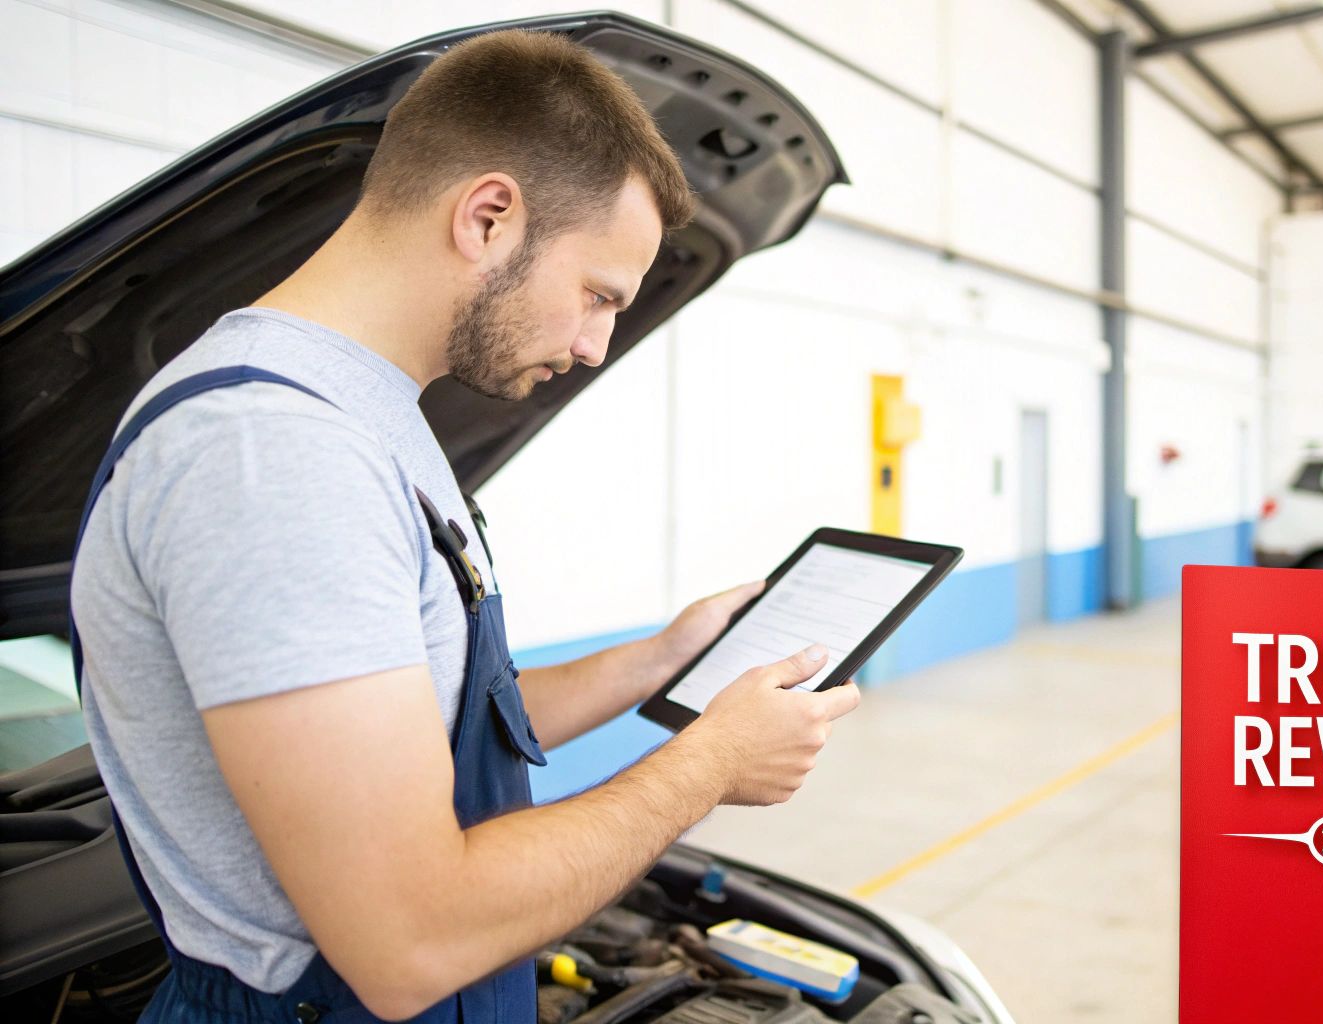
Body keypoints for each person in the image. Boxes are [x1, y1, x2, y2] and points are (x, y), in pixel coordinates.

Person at [67, 28, 859, 1023]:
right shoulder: (274, 453)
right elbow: (408, 940)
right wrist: (709, 765)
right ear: (488, 217)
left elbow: (430, 714)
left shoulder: (363, 412)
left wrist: (659, 659)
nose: (595, 344)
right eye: (598, 295)